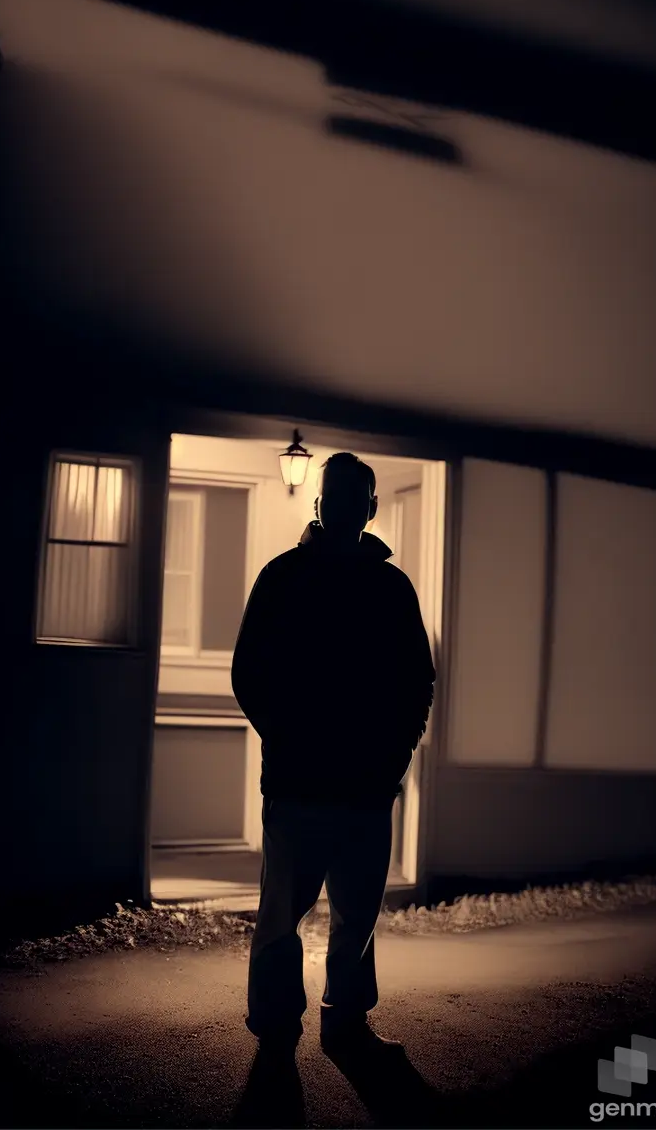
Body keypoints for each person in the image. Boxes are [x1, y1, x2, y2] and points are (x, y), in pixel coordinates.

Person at [231, 451, 436, 1058]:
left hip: (363, 784)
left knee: (355, 916)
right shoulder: (283, 576)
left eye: (355, 495)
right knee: (284, 913)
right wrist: (287, 738)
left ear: (370, 507)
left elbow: (417, 681)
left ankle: (338, 1018)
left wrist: (395, 755)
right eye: (334, 494)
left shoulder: (391, 588)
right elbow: (249, 673)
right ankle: (280, 1024)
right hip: (303, 782)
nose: (342, 504)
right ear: (320, 502)